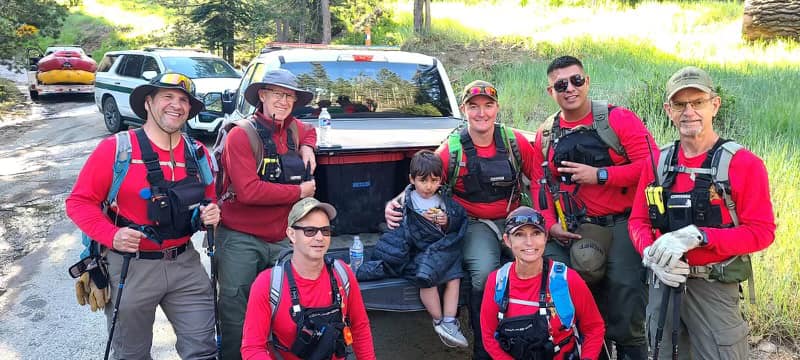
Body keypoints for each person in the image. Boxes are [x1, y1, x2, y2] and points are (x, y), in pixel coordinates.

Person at [66, 73, 221, 359]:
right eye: (168, 97)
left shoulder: (198, 153)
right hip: (129, 266)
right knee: (131, 354)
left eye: (184, 100)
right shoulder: (116, 149)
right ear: (148, 103)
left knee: (203, 349)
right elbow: (79, 202)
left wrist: (209, 212)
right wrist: (112, 235)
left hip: (185, 263)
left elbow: (208, 197)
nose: (176, 105)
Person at [628, 66, 776, 359]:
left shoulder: (743, 164)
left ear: (715, 105)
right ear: (668, 110)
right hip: (664, 282)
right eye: (680, 104)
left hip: (714, 286)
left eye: (698, 102)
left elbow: (762, 232)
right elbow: (638, 221)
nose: (689, 112)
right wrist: (651, 255)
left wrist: (699, 236)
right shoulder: (657, 162)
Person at [385, 80, 538, 359]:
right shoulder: (451, 150)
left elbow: (539, 181)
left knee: (541, 262)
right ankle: (484, 345)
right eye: (474, 107)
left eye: (488, 106)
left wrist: (542, 219)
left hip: (515, 218)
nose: (481, 113)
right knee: (484, 273)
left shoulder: (515, 142)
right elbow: (424, 181)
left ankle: (535, 333)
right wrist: (396, 202)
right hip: (474, 222)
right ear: (464, 110)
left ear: (497, 108)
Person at [530, 55, 657, 359]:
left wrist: (600, 175)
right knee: (583, 305)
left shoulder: (618, 120)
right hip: (576, 228)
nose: (570, 89)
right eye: (561, 84)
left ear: (587, 82)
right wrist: (549, 224)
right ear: (551, 92)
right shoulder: (546, 134)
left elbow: (651, 166)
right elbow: (539, 183)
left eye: (576, 81)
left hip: (623, 222)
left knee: (626, 295)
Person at [216, 68, 318, 359]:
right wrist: (300, 192)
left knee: (285, 310)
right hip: (241, 239)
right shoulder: (240, 136)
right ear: (262, 95)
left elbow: (309, 129)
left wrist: (309, 144)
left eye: (289, 96)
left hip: (282, 238)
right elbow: (248, 191)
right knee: (237, 313)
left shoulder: (295, 130)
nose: (284, 101)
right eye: (277, 94)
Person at [240, 197, 376, 359]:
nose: (320, 237)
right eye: (310, 231)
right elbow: (252, 348)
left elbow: (360, 328)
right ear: (291, 234)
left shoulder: (343, 274)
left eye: (325, 230)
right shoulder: (267, 284)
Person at [359, 150, 469, 347]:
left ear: (440, 181)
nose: (428, 186)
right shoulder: (406, 200)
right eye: (423, 180)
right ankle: (437, 319)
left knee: (455, 275)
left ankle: (449, 321)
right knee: (426, 277)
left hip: (439, 249)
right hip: (416, 251)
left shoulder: (443, 199)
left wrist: (446, 221)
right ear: (412, 179)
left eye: (434, 181)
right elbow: (400, 231)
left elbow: (457, 219)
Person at [481, 207, 605, 360]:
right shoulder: (497, 281)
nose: (529, 242)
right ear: (507, 240)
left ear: (545, 237)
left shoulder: (567, 279)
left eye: (536, 233)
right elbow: (489, 336)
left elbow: (594, 327)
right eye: (519, 234)